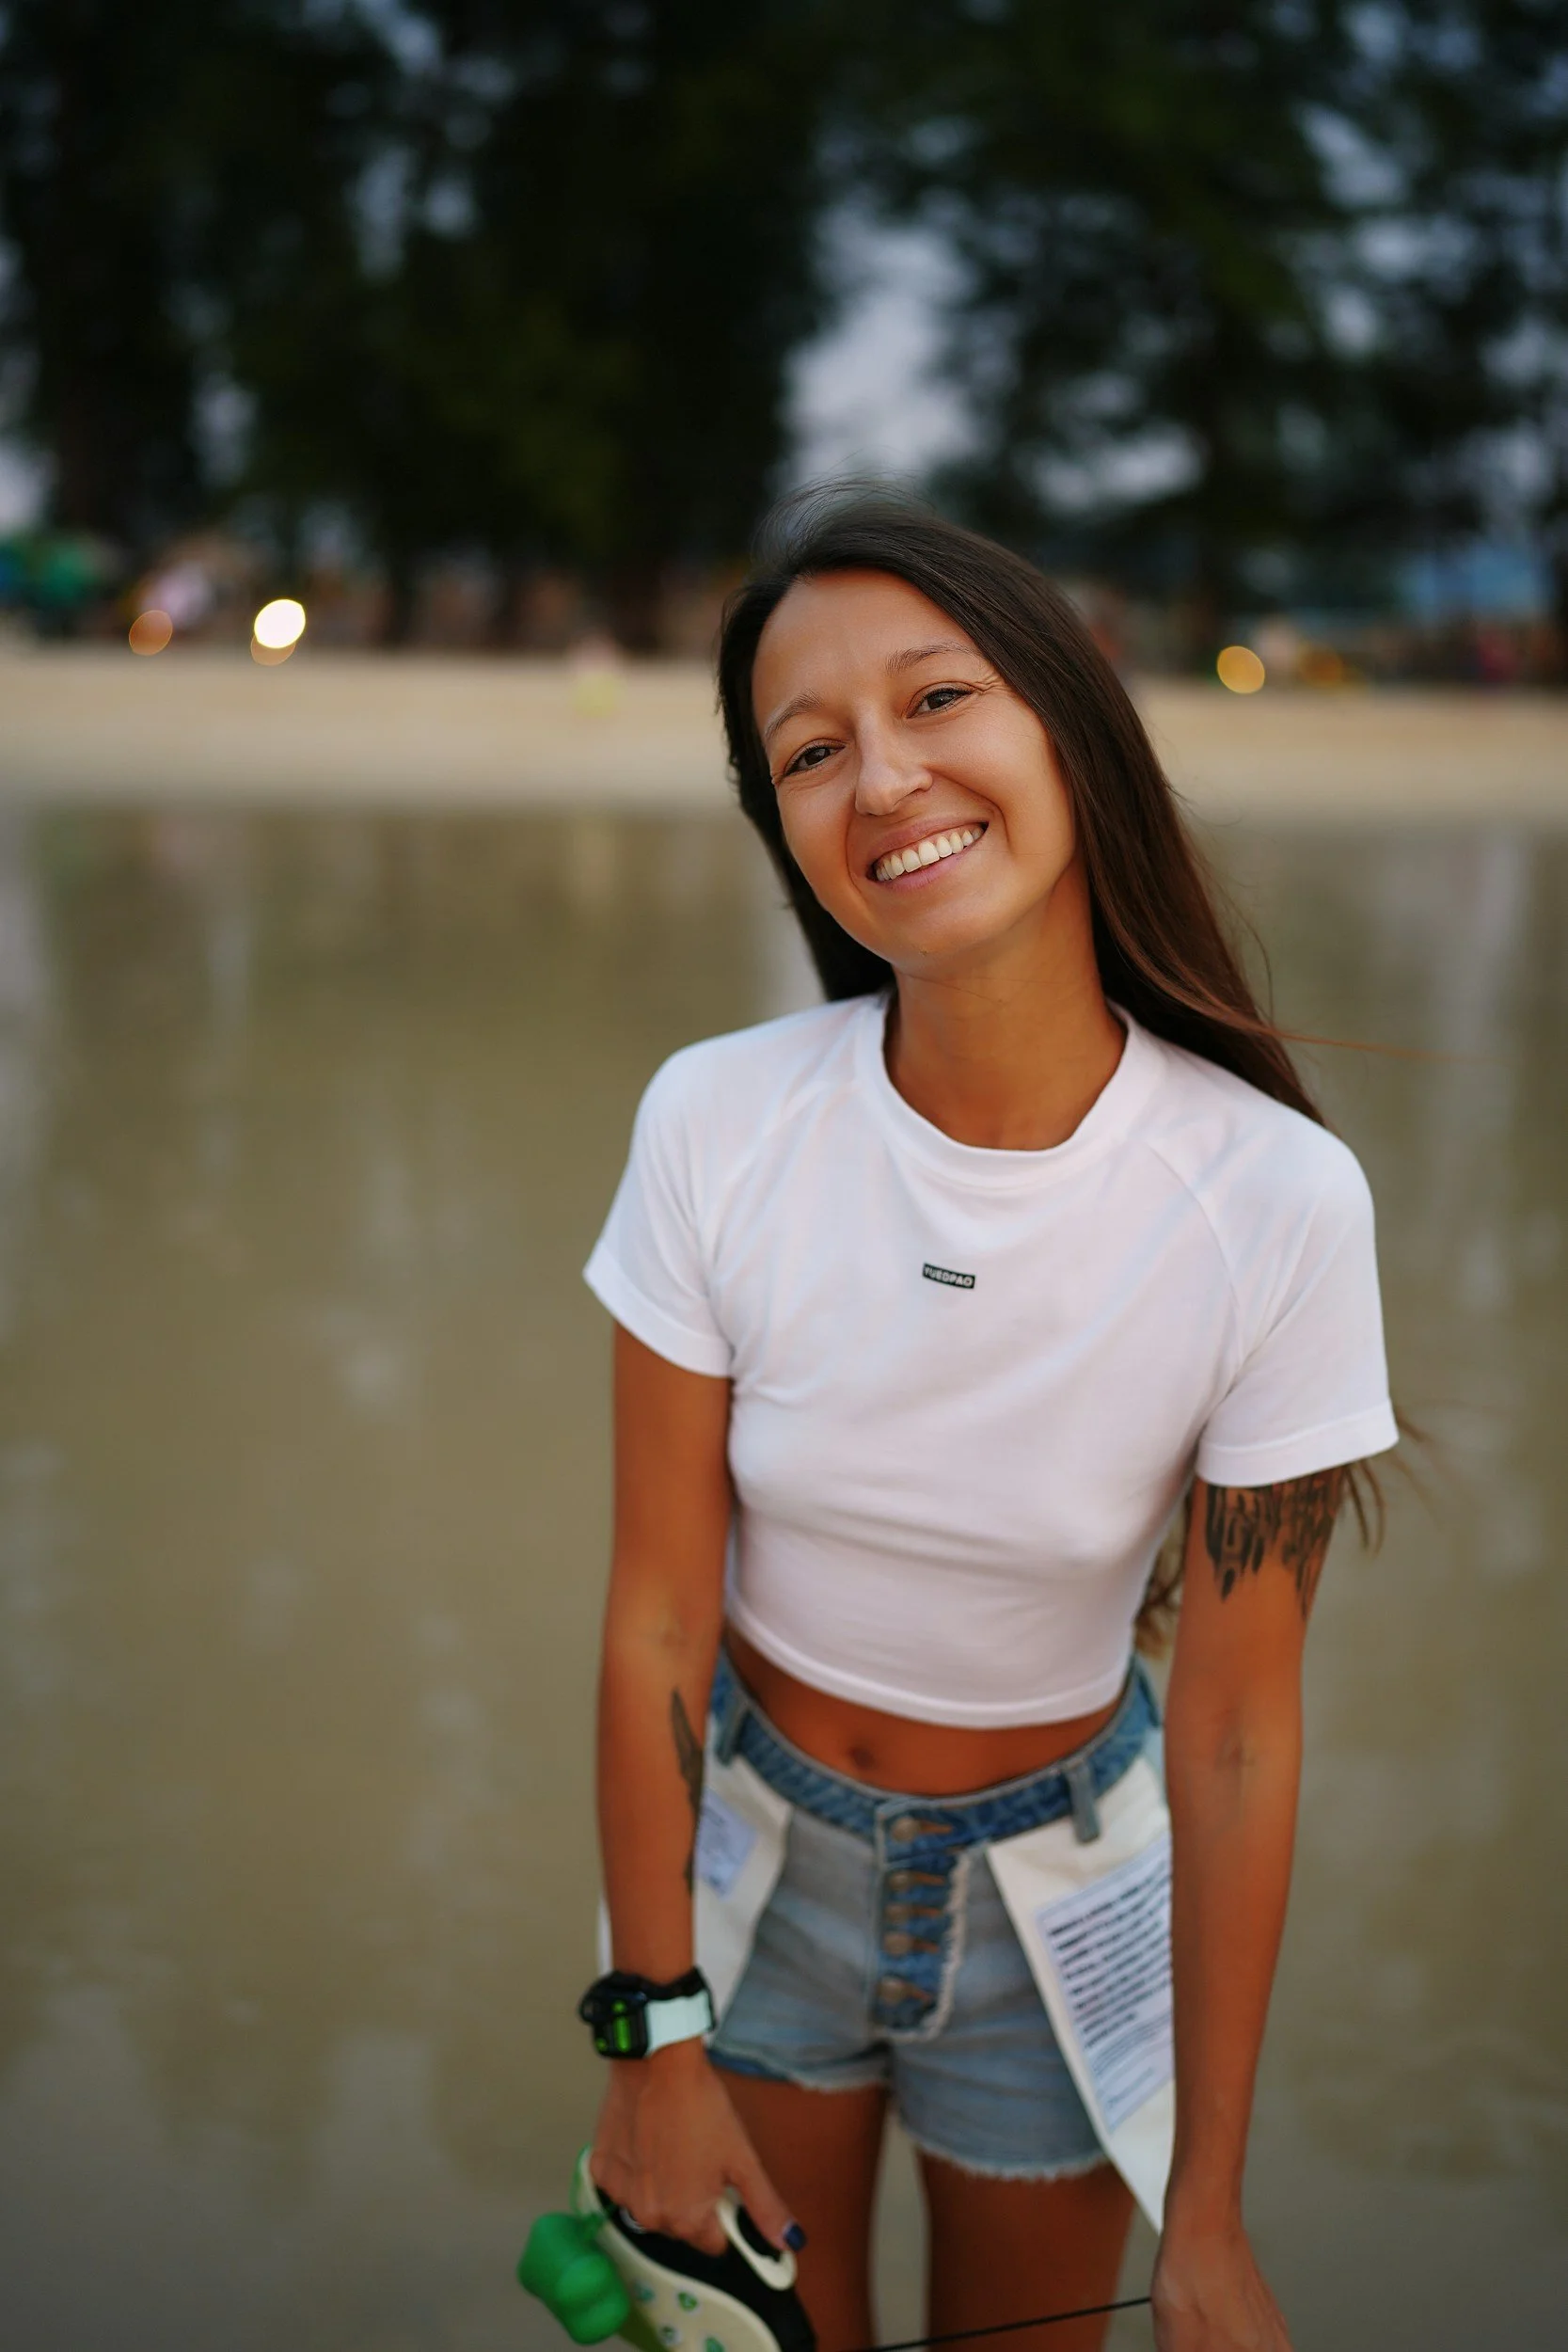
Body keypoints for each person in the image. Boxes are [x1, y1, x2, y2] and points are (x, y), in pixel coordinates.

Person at [577, 491, 1397, 2352]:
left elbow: (1242, 1723)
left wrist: (1208, 2206)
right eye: (808, 748)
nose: (879, 777)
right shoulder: (717, 1123)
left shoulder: (1272, 1200)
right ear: (782, 825)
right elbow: (650, 1619)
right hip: (752, 1866)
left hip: (1062, 1905)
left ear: (1061, 722)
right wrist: (648, 2030)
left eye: (934, 697)